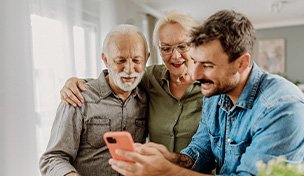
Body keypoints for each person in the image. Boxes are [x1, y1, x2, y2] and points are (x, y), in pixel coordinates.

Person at [107, 10, 304, 176]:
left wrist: (166, 170)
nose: (194, 74)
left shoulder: (284, 109)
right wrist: (170, 157)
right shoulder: (216, 96)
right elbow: (200, 152)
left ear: (241, 64)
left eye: (207, 65)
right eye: (195, 61)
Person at [60, 12, 202, 152]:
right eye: (166, 48)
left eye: (183, 46)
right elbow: (119, 77)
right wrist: (77, 83)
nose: (175, 56)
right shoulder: (152, 78)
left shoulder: (212, 88)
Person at [39, 24, 149, 176]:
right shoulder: (78, 97)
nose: (129, 69)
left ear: (147, 59)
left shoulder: (148, 98)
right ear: (105, 59)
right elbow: (52, 158)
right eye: (120, 60)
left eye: (137, 60)